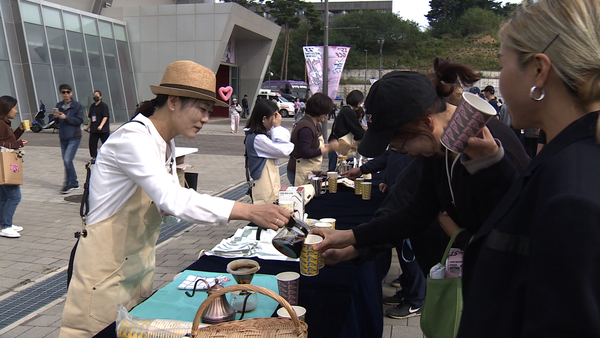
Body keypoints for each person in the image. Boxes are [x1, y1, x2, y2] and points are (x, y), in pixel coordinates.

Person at [59, 61, 291, 337]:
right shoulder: (134, 139)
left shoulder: (165, 143)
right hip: (103, 274)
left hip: (134, 270)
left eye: (209, 111)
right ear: (173, 101)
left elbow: (170, 202)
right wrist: (248, 211)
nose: (205, 118)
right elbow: (172, 199)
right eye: (202, 110)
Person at [455, 1, 600, 336]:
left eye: (502, 65)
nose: (501, 79)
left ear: (539, 70)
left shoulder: (574, 201)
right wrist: (491, 164)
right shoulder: (574, 158)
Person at [311, 59, 530, 279]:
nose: (409, 155)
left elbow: (517, 230)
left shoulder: (493, 145)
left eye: (401, 146)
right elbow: (414, 213)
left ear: (427, 124)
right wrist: (349, 238)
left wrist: (489, 166)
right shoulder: (439, 151)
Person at [244, 99, 294, 204]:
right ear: (264, 119)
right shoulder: (258, 139)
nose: (276, 120)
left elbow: (285, 143)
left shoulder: (264, 135)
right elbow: (285, 150)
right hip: (264, 191)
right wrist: (278, 127)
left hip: (270, 189)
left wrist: (276, 128)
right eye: (274, 117)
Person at [286, 93, 338, 186]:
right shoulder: (306, 128)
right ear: (318, 110)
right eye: (325, 112)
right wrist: (326, 149)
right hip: (299, 171)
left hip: (309, 171)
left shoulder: (316, 124)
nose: (327, 115)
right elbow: (305, 152)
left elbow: (314, 146)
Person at [0, 96, 26, 238]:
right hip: (4, 164)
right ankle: (6, 226)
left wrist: (20, 130)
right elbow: (3, 144)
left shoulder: (5, 123)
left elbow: (8, 140)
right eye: (14, 107)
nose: (16, 111)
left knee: (4, 196)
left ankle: (5, 222)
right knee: (14, 196)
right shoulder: (0, 124)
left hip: (4, 162)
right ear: (6, 108)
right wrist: (18, 144)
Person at [54, 84, 84, 194]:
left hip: (74, 136)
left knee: (67, 160)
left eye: (67, 92)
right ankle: (74, 182)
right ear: (60, 93)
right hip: (63, 136)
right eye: (63, 92)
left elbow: (79, 121)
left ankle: (68, 184)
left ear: (71, 93)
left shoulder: (77, 106)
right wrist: (56, 118)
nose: (65, 94)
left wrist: (66, 117)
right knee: (67, 161)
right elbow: (57, 123)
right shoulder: (59, 105)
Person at [327, 90, 366, 171]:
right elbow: (357, 131)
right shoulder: (349, 111)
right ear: (358, 101)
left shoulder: (345, 110)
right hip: (338, 146)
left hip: (336, 144)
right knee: (336, 171)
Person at [84, 90, 110, 159]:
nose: (95, 97)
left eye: (97, 96)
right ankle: (94, 157)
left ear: (100, 97)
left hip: (103, 130)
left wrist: (101, 125)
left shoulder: (103, 106)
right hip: (94, 129)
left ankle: (108, 157)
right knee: (92, 144)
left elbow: (105, 117)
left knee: (106, 144)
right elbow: (91, 118)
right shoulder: (92, 106)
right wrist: (88, 127)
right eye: (94, 96)